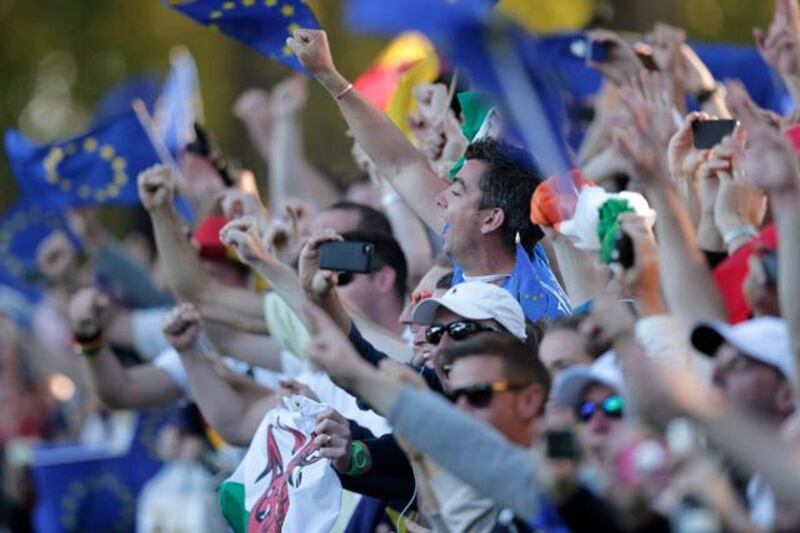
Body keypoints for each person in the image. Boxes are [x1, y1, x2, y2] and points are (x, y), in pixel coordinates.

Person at [286, 28, 571, 323]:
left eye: (457, 190)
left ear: (491, 218)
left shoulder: (539, 307)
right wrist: (330, 78)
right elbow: (401, 165)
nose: (441, 196)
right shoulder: (478, 248)